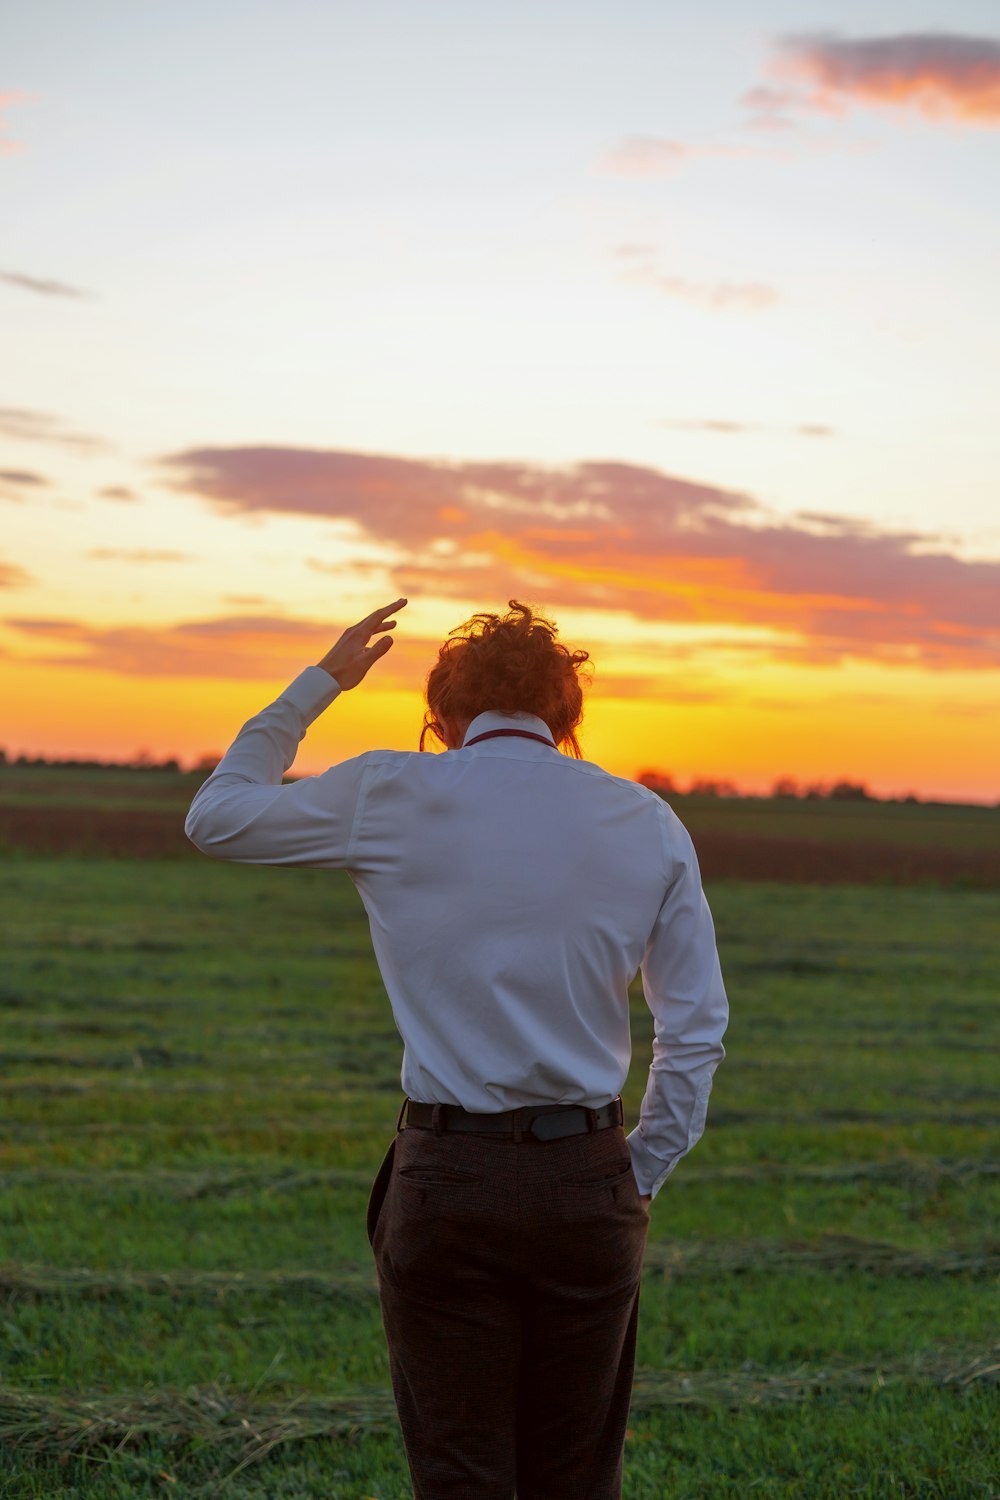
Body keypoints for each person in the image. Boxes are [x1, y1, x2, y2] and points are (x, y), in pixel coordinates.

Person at [185, 596, 728, 1500]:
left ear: (440, 716)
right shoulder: (648, 820)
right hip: (589, 1174)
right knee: (578, 1476)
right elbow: (695, 1029)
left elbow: (216, 817)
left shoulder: (387, 790)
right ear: (568, 716)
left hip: (447, 1178)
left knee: (458, 1474)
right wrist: (639, 1170)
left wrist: (321, 684)